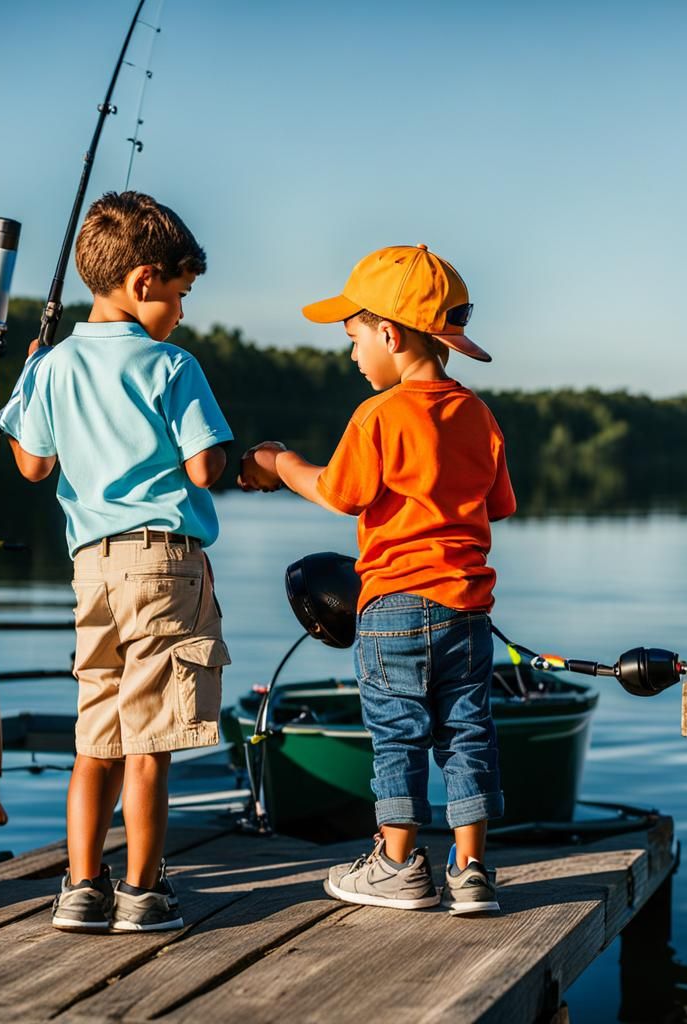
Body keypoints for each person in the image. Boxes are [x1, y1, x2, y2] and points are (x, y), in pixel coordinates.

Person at [239, 244, 516, 914]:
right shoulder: (477, 414)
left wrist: (280, 463)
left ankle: (396, 864)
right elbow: (499, 505)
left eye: (354, 337)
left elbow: (340, 492)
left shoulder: (379, 415)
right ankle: (471, 870)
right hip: (467, 614)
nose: (352, 352)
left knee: (397, 732)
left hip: (392, 609)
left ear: (389, 334)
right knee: (466, 731)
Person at [0, 191, 233, 932]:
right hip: (162, 564)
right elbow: (203, 468)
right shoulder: (172, 365)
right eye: (180, 293)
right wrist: (234, 457)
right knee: (152, 738)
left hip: (90, 569)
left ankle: (79, 889)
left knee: (95, 734)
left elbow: (32, 466)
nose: (183, 313)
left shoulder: (52, 367)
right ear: (142, 282)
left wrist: (29, 377)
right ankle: (141, 892)